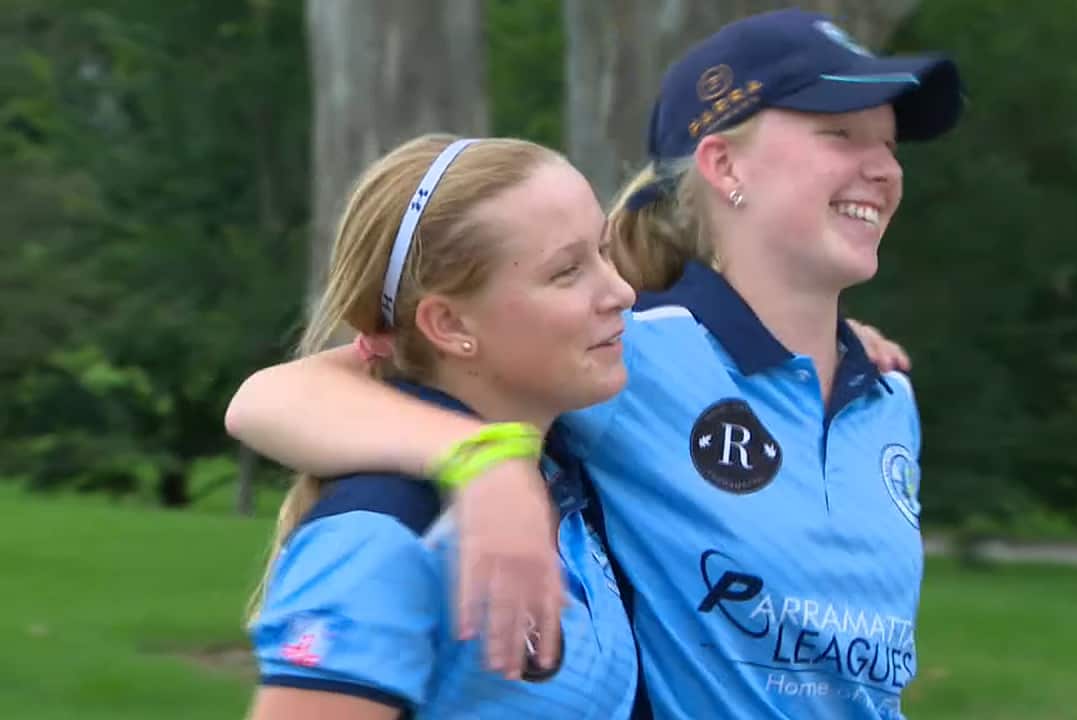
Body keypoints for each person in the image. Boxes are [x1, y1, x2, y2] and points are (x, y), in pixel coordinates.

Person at [227, 9, 964, 719]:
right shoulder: (621, 352)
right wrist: (484, 462)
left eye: (890, 145)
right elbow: (281, 395)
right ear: (723, 162)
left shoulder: (887, 396)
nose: (883, 169)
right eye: (839, 133)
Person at [243, 133, 640, 720]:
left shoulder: (563, 470)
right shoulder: (384, 532)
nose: (622, 292)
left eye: (604, 252)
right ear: (450, 323)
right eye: (567, 272)